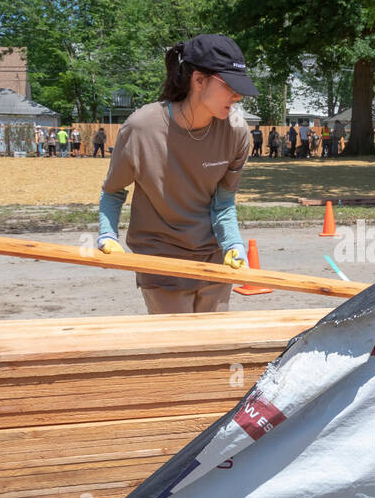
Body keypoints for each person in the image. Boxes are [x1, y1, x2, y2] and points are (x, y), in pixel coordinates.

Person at [96, 34, 257, 314]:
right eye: (229, 85)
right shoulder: (141, 129)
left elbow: (223, 202)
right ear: (198, 80)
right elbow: (113, 191)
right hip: (160, 261)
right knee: (177, 349)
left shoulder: (236, 132)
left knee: (212, 347)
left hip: (213, 258)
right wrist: (107, 233)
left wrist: (232, 243)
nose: (238, 95)